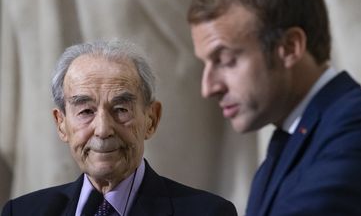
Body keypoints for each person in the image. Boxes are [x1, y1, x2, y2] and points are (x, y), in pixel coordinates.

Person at [187, 0, 361, 215]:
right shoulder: (290, 141)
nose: (208, 88)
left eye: (226, 60)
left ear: (290, 47)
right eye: (206, 64)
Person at [1, 40, 237, 216]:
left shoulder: (209, 212)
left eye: (121, 110)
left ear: (151, 119)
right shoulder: (21, 212)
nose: (103, 130)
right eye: (86, 111)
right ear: (61, 124)